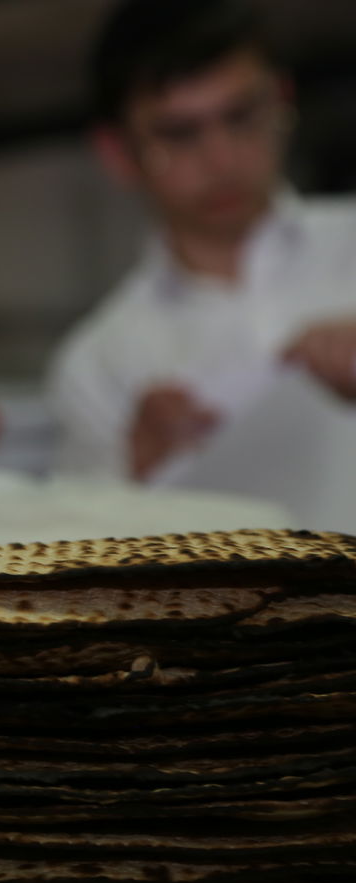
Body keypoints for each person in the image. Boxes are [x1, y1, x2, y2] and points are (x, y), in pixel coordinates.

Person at [48, 0, 356, 528]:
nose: (221, 159)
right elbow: (77, 567)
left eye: (241, 116)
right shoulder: (97, 366)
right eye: (179, 133)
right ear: (118, 152)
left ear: (282, 100)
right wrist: (133, 474)